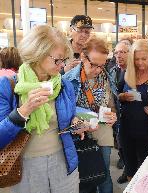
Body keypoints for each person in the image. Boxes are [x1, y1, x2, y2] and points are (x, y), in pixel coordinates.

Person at [0, 25, 91, 193]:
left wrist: (77, 123)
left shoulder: (63, 85)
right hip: (26, 166)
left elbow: (69, 117)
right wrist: (23, 112)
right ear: (37, 54)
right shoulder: (9, 86)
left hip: (63, 162)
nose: (62, 65)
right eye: (57, 60)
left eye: (64, 59)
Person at [63, 36, 117, 193]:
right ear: (82, 56)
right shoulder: (68, 79)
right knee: (86, 175)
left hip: (103, 131)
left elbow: (111, 105)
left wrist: (113, 115)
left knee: (104, 173)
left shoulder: (106, 77)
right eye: (93, 64)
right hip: (80, 135)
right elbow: (64, 115)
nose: (98, 70)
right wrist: (80, 123)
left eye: (102, 65)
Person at [118, 39, 148, 181]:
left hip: (147, 130)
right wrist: (122, 97)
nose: (140, 63)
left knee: (146, 169)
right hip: (127, 128)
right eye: (137, 59)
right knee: (130, 167)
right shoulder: (127, 73)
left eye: (144, 59)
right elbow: (117, 94)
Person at [106, 41, 131, 184]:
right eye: (116, 52)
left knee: (132, 145)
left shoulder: (135, 70)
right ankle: (127, 168)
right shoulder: (113, 70)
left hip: (132, 114)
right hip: (116, 113)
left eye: (122, 52)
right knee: (120, 141)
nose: (118, 55)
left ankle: (131, 170)